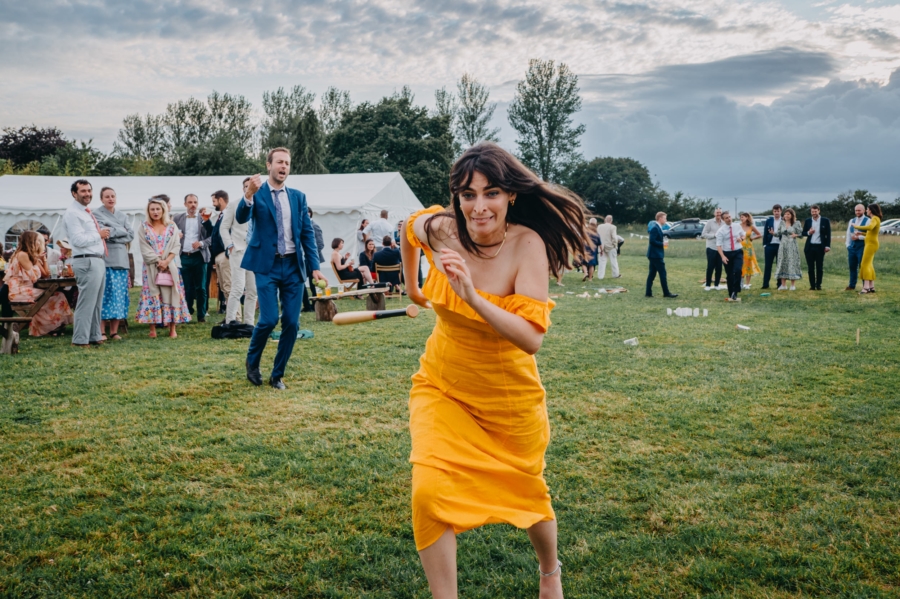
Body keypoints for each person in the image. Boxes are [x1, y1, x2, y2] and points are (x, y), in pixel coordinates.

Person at [400, 142, 588, 599]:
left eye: (491, 193)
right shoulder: (444, 230)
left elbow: (530, 338)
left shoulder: (528, 245)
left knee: (529, 494)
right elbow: (410, 227)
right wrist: (413, 288)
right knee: (428, 493)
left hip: (507, 397)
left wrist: (471, 296)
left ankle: (550, 571)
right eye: (467, 195)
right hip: (442, 385)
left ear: (511, 197)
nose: (478, 207)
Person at [236, 147, 326, 390]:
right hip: (266, 265)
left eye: (287, 163)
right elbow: (242, 217)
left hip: (293, 266)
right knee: (267, 320)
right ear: (269, 165)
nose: (283, 166)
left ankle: (277, 375)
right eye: (279, 162)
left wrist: (314, 267)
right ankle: (252, 363)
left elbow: (307, 233)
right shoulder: (257, 193)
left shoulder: (298, 197)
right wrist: (248, 195)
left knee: (292, 323)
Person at [63, 179, 109, 347]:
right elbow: (78, 240)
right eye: (83, 191)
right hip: (86, 260)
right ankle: (80, 339)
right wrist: (99, 235)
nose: (87, 194)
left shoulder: (86, 212)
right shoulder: (72, 213)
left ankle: (95, 335)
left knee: (97, 302)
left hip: (97, 259)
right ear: (74, 194)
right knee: (86, 302)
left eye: (89, 190)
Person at [136, 197, 190, 338]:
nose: (155, 212)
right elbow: (144, 247)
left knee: (172, 293)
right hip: (151, 267)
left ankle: (172, 329)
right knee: (152, 294)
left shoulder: (172, 226)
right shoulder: (144, 227)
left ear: (163, 210)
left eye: (158, 209)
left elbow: (176, 245)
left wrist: (167, 261)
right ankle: (152, 329)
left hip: (170, 265)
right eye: (152, 209)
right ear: (148, 211)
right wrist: (158, 261)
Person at [5, 231, 72, 337]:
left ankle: (55, 326)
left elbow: (45, 274)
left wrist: (43, 259)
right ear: (31, 241)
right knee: (54, 296)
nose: (39, 243)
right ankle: (51, 327)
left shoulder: (30, 255)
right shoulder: (22, 255)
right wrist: (36, 260)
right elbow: (34, 277)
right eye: (37, 241)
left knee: (58, 295)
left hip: (27, 288)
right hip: (19, 290)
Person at [93, 186, 134, 340]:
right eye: (107, 196)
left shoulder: (122, 215)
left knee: (119, 295)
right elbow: (104, 232)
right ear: (102, 199)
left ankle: (114, 331)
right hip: (106, 257)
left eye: (112, 196)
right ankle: (102, 330)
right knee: (105, 294)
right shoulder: (96, 214)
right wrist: (120, 230)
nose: (110, 199)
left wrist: (114, 232)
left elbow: (130, 234)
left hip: (121, 259)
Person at [220, 178, 258, 325]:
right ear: (243, 189)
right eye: (246, 186)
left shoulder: (260, 204)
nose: (249, 188)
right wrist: (229, 245)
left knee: (253, 290)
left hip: (254, 251)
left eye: (251, 186)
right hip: (239, 249)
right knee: (237, 287)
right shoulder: (234, 204)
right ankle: (230, 321)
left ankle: (249, 323)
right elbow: (224, 227)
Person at [173, 194, 212, 321]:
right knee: (186, 287)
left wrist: (201, 243)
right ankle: (187, 312)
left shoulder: (204, 218)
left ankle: (201, 315)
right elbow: (170, 234)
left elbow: (213, 236)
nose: (193, 205)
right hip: (184, 256)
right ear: (185, 204)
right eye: (190, 202)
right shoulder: (177, 218)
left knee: (201, 287)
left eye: (195, 202)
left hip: (199, 256)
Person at [209, 191, 231, 317]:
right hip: (219, 255)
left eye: (214, 201)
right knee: (224, 288)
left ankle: (234, 319)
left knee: (229, 288)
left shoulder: (228, 214)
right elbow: (215, 235)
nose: (213, 204)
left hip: (225, 254)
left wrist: (227, 252)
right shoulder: (221, 215)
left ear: (221, 200)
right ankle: (229, 317)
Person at [851, 203, 882, 294]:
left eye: (867, 209)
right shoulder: (875, 219)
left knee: (864, 264)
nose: (867, 211)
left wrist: (856, 226)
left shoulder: (874, 218)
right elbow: (871, 232)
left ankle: (866, 288)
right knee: (869, 265)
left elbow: (870, 227)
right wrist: (862, 234)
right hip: (871, 243)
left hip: (871, 244)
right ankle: (871, 286)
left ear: (871, 210)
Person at [646, 212, 677, 298]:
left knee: (652, 274)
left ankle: (648, 293)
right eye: (665, 218)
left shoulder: (658, 227)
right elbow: (652, 241)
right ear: (660, 218)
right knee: (662, 273)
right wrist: (662, 244)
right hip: (655, 255)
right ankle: (666, 293)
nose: (666, 220)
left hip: (654, 254)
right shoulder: (655, 228)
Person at [716, 210, 746, 302]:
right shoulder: (721, 231)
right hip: (727, 253)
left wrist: (741, 238)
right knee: (729, 275)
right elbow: (718, 245)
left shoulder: (737, 226)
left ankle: (736, 290)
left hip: (737, 251)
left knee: (737, 270)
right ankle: (731, 293)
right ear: (723, 220)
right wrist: (723, 257)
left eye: (729, 217)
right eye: (726, 218)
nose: (729, 219)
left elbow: (743, 235)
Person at [801, 204, 831, 291]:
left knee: (819, 267)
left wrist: (827, 246)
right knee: (810, 268)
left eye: (815, 211)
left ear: (819, 211)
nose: (814, 213)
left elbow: (828, 234)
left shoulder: (825, 221)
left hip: (820, 247)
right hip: (810, 247)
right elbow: (803, 233)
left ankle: (818, 285)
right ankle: (812, 285)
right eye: (812, 211)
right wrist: (809, 232)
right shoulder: (808, 221)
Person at [303, 208, 326, 312]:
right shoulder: (301, 225)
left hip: (311, 260)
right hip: (302, 259)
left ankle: (315, 305)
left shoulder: (315, 226)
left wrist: (310, 256)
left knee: (314, 284)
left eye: (308, 212)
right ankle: (307, 306)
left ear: (311, 214)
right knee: (301, 282)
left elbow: (320, 244)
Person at [775, 208, 802, 290]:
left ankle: (793, 285)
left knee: (791, 263)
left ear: (792, 215)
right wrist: (772, 233)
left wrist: (796, 235)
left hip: (792, 246)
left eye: (788, 214)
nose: (786, 216)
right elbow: (778, 233)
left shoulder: (796, 223)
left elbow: (801, 233)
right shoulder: (782, 223)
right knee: (782, 263)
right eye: (785, 214)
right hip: (783, 246)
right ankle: (783, 285)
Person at [845, 204, 869, 291]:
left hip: (862, 246)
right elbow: (848, 233)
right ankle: (851, 285)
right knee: (852, 266)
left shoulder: (868, 221)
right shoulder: (852, 220)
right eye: (856, 210)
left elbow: (870, 236)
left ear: (864, 210)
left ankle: (865, 286)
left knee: (862, 266)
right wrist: (847, 245)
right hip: (852, 246)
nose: (857, 212)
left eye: (859, 210)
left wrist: (859, 237)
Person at [700, 208, 725, 291]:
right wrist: (714, 235)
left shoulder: (724, 223)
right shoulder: (710, 222)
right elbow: (703, 234)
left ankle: (717, 284)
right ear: (714, 214)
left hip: (721, 248)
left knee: (719, 267)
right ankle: (708, 285)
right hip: (711, 247)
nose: (718, 214)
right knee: (710, 266)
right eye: (717, 213)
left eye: (720, 213)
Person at [739, 212, 762, 290]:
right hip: (740, 247)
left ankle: (747, 283)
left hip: (748, 248)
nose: (741, 218)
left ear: (747, 218)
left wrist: (753, 238)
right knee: (740, 264)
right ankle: (740, 282)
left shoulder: (751, 227)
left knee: (748, 265)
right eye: (741, 217)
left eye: (743, 217)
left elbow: (759, 234)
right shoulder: (738, 226)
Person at [761, 205, 782, 289]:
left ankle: (779, 284)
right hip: (770, 245)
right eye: (775, 211)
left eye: (778, 211)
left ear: (781, 211)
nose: (776, 213)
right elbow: (765, 233)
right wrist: (765, 244)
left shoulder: (783, 221)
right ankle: (765, 284)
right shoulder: (769, 220)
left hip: (780, 245)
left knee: (779, 265)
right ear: (773, 212)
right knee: (768, 266)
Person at [596, 215, 620, 279]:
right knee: (613, 261)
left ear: (605, 220)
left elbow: (597, 236)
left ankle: (600, 276)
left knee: (602, 262)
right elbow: (614, 237)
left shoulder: (599, 226)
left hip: (601, 246)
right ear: (611, 221)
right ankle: (615, 275)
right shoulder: (613, 227)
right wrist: (615, 245)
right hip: (611, 247)